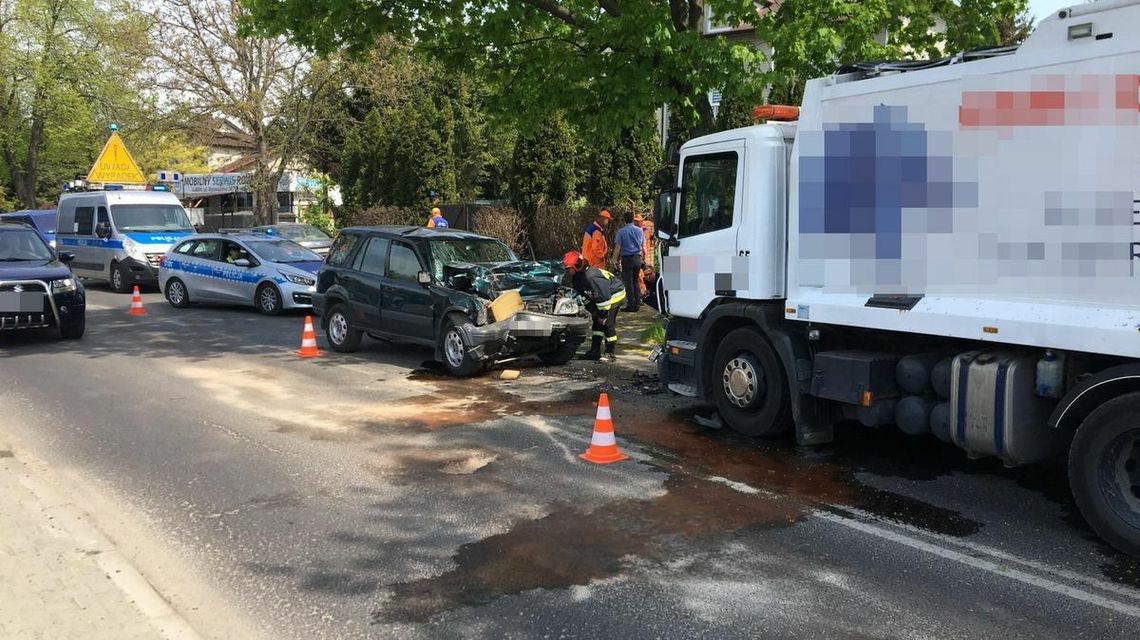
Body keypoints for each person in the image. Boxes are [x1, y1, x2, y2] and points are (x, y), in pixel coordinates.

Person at [563, 250, 625, 362]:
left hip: (615, 295)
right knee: (597, 324)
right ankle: (595, 351)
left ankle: (610, 353)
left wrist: (602, 315)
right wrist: (594, 312)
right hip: (602, 298)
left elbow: (604, 299)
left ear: (577, 266)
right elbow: (584, 297)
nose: (568, 271)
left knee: (608, 324)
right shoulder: (577, 279)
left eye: (569, 268)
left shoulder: (591, 277)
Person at [613, 210, 644, 312]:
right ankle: (638, 302)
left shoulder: (621, 232)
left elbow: (618, 247)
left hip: (627, 258)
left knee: (628, 282)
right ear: (632, 219)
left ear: (624, 220)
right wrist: (643, 258)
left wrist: (614, 259)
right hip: (637, 258)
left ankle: (630, 305)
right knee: (635, 281)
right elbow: (643, 246)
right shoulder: (639, 231)